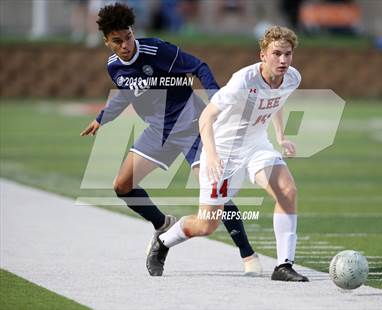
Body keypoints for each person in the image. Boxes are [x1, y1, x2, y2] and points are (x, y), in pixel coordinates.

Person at [79, 2, 261, 276]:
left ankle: (248, 255)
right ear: (107, 42)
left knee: (215, 190)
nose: (125, 44)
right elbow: (127, 94)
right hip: (158, 132)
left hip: (192, 127)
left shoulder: (156, 50)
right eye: (117, 41)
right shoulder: (114, 66)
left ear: (132, 31)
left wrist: (216, 102)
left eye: (128, 36)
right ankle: (162, 224)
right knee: (122, 186)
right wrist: (102, 117)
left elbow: (200, 66)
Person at [149, 26, 309, 282]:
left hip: (257, 146)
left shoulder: (292, 77)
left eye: (288, 54)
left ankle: (283, 266)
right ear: (263, 55)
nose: (283, 60)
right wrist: (210, 155)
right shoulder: (242, 81)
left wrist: (280, 137)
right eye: (277, 54)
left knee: (287, 191)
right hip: (223, 150)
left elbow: (277, 99)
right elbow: (206, 116)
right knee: (206, 225)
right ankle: (164, 241)